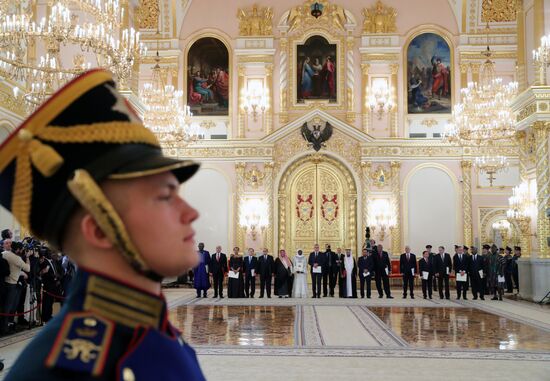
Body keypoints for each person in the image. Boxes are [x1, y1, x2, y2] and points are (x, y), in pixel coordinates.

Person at [0, 69, 206, 380]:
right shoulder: (68, 371)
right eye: (165, 196)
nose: (191, 212)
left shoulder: (147, 330)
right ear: (98, 229)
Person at [1, 240, 30, 335]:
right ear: (18, 250)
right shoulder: (17, 258)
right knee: (9, 308)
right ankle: (5, 328)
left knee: (5, 307)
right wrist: (28, 257)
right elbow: (28, 268)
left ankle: (6, 326)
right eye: (21, 249)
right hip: (12, 284)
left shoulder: (4, 253)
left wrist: (20, 272)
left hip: (4, 283)